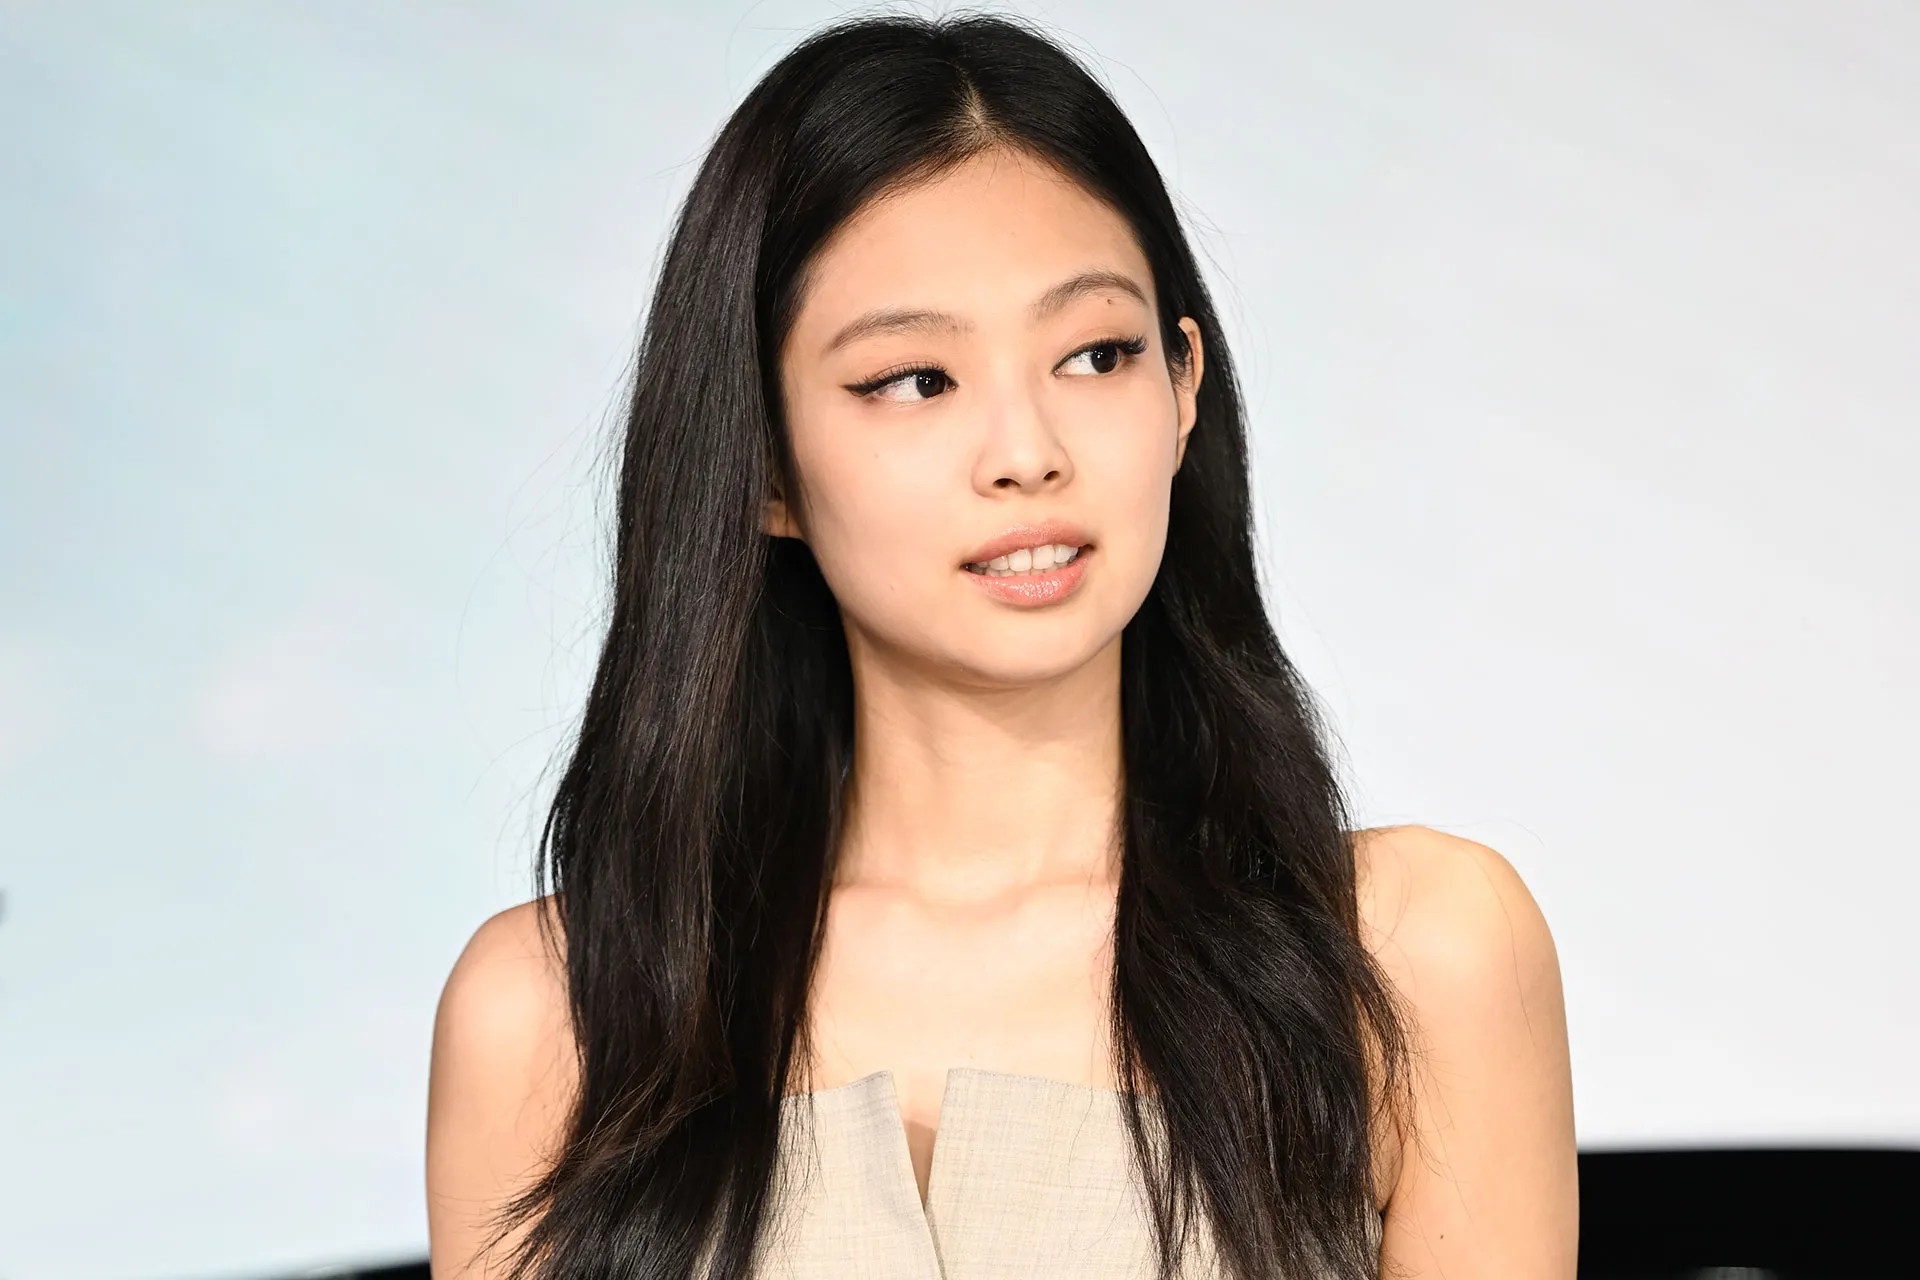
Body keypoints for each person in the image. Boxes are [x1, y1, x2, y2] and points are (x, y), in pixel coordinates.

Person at [424, 10, 1576, 1279]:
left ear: (1183, 385)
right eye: (915, 379)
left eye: (1096, 354)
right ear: (764, 461)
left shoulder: (1415, 955)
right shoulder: (557, 1020)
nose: (1027, 451)